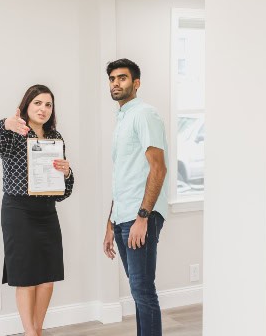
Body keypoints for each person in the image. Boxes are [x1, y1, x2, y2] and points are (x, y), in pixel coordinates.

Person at [0, 84, 74, 336]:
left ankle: (37, 329)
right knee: (26, 276)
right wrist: (6, 123)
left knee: (47, 278)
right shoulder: (13, 133)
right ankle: (30, 333)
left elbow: (64, 192)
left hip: (47, 211)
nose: (43, 109)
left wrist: (67, 173)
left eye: (48, 104)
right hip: (18, 212)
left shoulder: (56, 138)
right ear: (26, 105)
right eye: (37, 103)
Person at [102, 59, 168, 335]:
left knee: (143, 291)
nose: (116, 83)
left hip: (140, 215)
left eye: (122, 78)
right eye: (112, 79)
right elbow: (124, 175)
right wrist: (110, 222)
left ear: (136, 83)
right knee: (138, 291)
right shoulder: (123, 119)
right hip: (122, 215)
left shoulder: (144, 114)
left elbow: (158, 167)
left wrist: (143, 217)